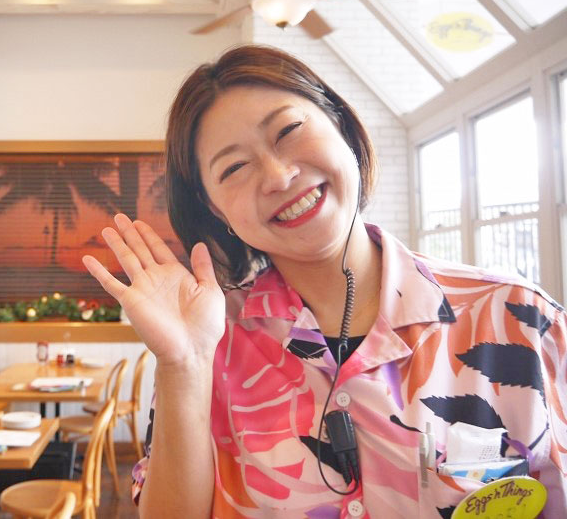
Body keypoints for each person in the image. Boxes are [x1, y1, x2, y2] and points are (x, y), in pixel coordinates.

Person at [82, 45, 567, 518]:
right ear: (215, 209)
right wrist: (184, 365)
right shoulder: (208, 342)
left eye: (288, 131)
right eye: (234, 167)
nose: (278, 176)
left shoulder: (519, 318)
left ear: (342, 125)